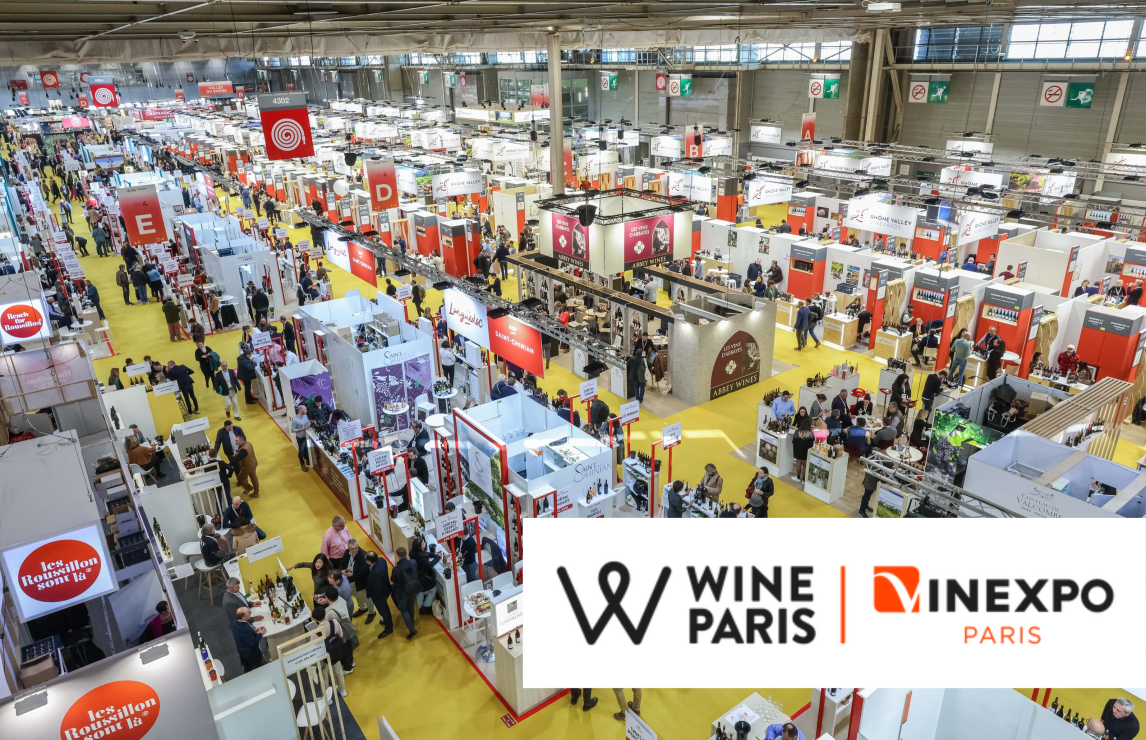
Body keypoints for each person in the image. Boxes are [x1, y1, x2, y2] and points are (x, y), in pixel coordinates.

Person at [390, 547, 420, 640]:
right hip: (413, 589)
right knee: (410, 606)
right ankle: (411, 622)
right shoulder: (413, 562)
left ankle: (412, 629)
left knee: (404, 610)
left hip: (402, 593)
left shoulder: (396, 569)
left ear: (397, 556)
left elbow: (393, 580)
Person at [410, 536, 441, 614]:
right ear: (420, 547)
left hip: (416, 576)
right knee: (432, 590)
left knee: (419, 591)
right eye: (423, 543)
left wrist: (434, 554)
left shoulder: (412, 552)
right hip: (424, 577)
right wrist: (438, 557)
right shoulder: (422, 557)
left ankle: (420, 606)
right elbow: (430, 564)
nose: (425, 543)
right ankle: (425, 606)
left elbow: (425, 554)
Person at [232, 607, 266, 673]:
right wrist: (261, 634)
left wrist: (253, 631)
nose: (251, 612)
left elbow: (242, 635)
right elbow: (253, 644)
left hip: (242, 651)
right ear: (244, 617)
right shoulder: (245, 629)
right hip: (251, 654)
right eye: (249, 613)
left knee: (247, 667)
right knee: (256, 669)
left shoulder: (235, 622)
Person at [232, 433, 259, 497]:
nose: (235, 442)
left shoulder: (243, 449)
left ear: (241, 440)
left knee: (240, 478)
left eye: (237, 441)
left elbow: (238, 458)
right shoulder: (248, 443)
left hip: (247, 466)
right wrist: (239, 453)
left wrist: (229, 464)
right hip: (253, 463)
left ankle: (249, 487)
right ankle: (256, 493)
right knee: (253, 477)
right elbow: (246, 453)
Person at [291, 405, 311, 471]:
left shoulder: (305, 416)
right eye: (305, 409)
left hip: (306, 436)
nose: (306, 410)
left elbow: (309, 423)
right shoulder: (295, 420)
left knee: (307, 449)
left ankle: (307, 459)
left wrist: (307, 426)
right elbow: (292, 430)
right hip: (300, 437)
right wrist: (301, 429)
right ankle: (302, 464)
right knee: (301, 451)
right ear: (300, 410)